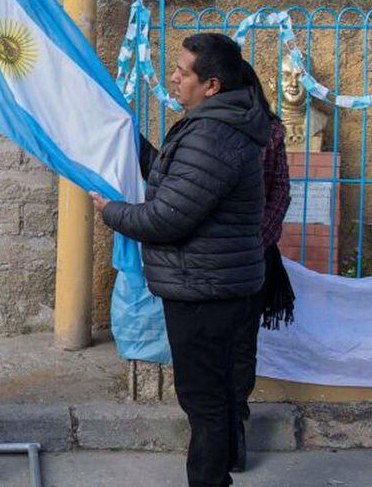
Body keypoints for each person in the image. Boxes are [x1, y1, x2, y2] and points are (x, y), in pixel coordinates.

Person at [90, 34, 268, 487]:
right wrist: (129, 137)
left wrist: (111, 212)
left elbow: (167, 217)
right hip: (218, 284)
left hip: (204, 291)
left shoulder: (211, 133)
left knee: (203, 399)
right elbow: (176, 180)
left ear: (210, 85)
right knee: (222, 392)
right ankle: (226, 465)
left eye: (183, 71)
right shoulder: (212, 126)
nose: (173, 76)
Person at [231, 61, 294, 472]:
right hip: (213, 259)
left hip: (252, 258)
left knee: (241, 343)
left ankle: (234, 421)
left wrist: (256, 241)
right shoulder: (201, 129)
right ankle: (217, 423)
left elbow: (280, 192)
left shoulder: (269, 133)